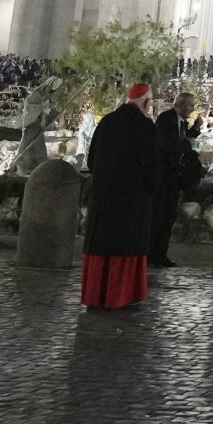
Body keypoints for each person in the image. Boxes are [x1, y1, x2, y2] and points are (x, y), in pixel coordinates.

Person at [83, 83, 162, 309]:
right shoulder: (145, 126)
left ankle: (96, 295)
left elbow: (91, 161)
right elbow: (152, 168)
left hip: (103, 198)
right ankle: (122, 296)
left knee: (102, 248)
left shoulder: (106, 122)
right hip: (131, 202)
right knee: (125, 249)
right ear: (146, 103)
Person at [152, 91, 200, 268]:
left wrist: (195, 130)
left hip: (173, 177)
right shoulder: (166, 120)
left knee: (168, 216)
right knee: (162, 216)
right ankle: (154, 254)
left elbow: (182, 141)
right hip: (165, 177)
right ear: (180, 104)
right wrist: (189, 143)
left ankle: (159, 254)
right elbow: (171, 145)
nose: (192, 109)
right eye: (190, 105)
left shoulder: (180, 122)